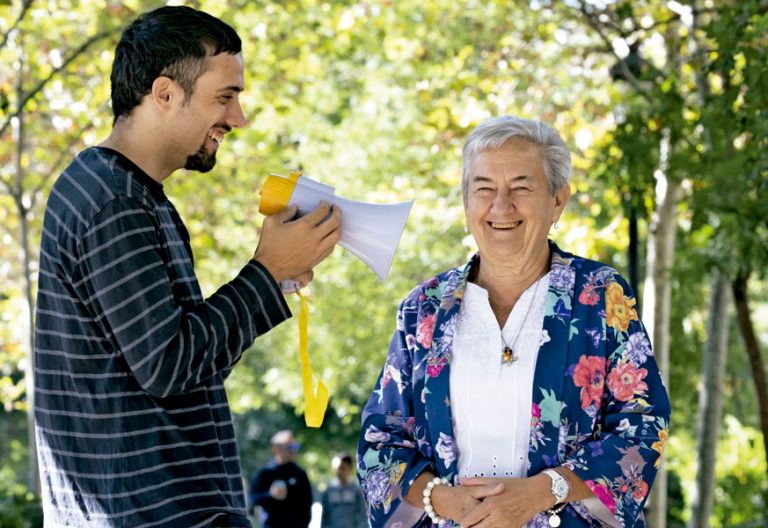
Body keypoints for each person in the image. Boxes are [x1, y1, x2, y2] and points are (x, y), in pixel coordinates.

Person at [34, 6, 341, 528]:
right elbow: (170, 365)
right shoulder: (116, 201)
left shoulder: (130, 195)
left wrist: (275, 276)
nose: (238, 118)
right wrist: (264, 273)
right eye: (225, 97)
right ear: (164, 93)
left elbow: (188, 365)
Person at [357, 116, 671, 527]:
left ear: (558, 200)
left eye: (521, 188)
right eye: (484, 188)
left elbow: (643, 429)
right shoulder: (424, 309)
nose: (500, 206)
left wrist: (543, 492)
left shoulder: (601, 296)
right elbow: (380, 444)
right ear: (466, 201)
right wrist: (444, 500)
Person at [248, 430, 313, 528]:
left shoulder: (300, 474)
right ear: (276, 448)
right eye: (289, 447)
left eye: (295, 446)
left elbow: (307, 504)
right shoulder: (265, 473)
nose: (293, 450)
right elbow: (252, 499)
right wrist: (270, 495)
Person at [320, 452, 369, 528]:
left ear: (350, 469)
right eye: (336, 468)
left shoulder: (356, 491)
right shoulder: (329, 491)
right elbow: (324, 517)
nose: (339, 471)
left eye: (342, 468)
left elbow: (362, 515)